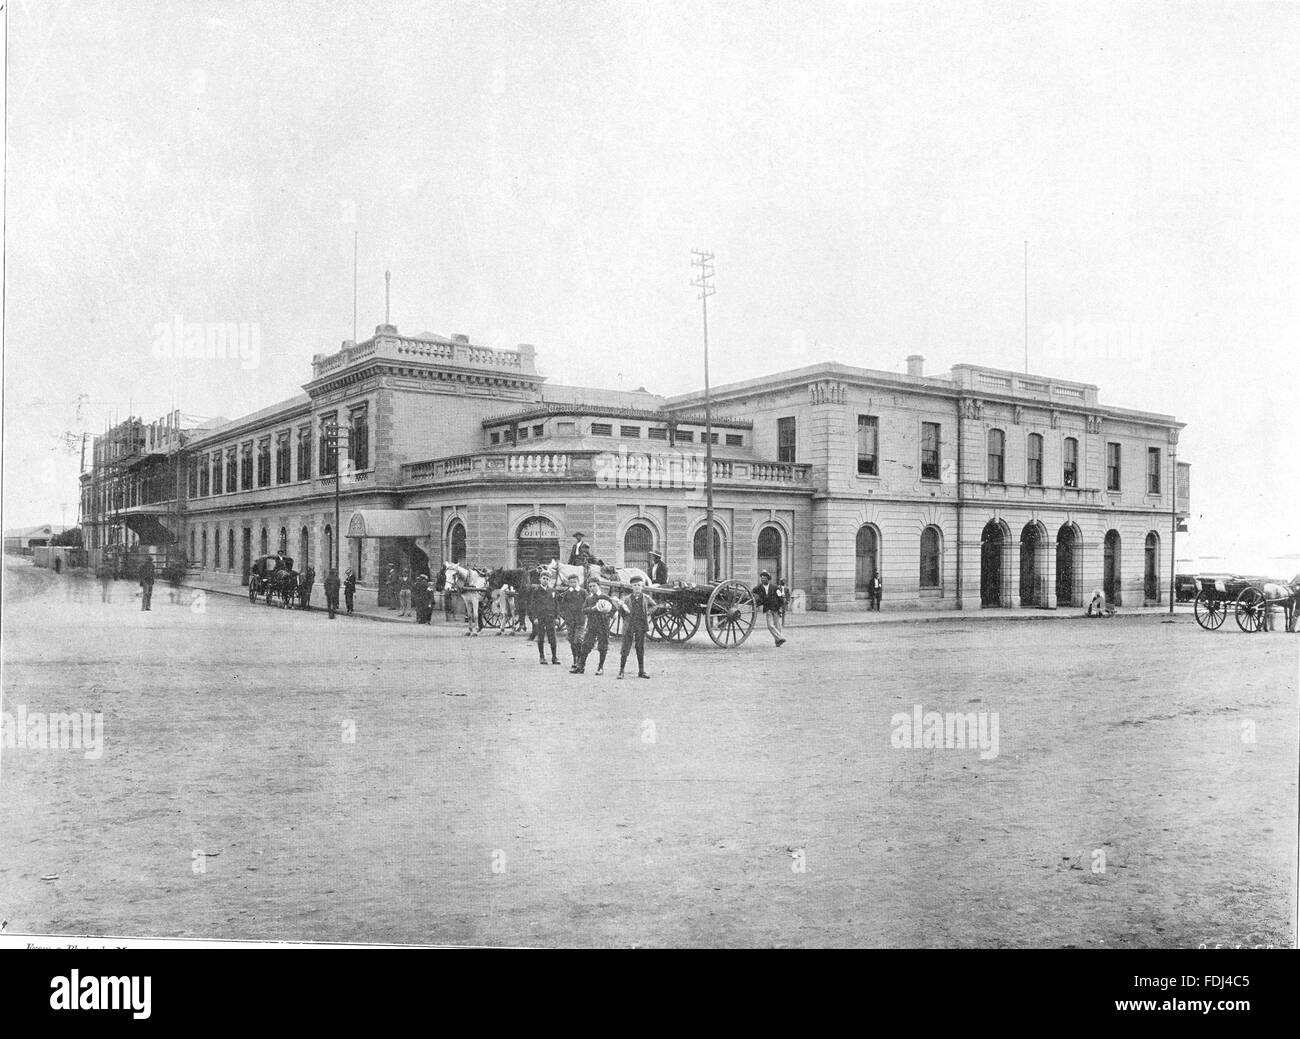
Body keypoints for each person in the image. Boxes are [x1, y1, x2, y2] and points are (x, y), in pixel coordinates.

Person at [616, 575, 661, 680]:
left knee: (640, 648)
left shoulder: (646, 598)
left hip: (641, 625)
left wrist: (647, 613)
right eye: (634, 585)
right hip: (629, 626)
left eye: (639, 585)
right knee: (625, 648)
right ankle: (621, 671)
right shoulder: (626, 599)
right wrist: (626, 616)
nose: (636, 587)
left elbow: (654, 606)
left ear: (642, 586)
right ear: (631, 587)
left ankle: (641, 671)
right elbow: (620, 609)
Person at [577, 577, 616, 674]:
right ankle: (581, 667)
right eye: (590, 586)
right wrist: (593, 608)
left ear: (599, 586)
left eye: (594, 586)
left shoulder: (605, 597)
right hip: (591, 625)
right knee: (586, 645)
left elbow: (613, 611)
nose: (592, 588)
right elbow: (584, 610)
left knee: (603, 646)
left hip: (603, 625)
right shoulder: (589, 598)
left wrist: (607, 613)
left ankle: (600, 668)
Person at [558, 573, 588, 669]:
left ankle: (580, 659)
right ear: (568, 583)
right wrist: (566, 617)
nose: (573, 583)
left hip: (580, 620)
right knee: (571, 640)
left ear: (578, 582)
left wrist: (585, 615)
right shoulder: (567, 594)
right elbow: (562, 607)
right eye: (571, 582)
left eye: (575, 582)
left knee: (578, 640)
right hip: (570, 621)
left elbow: (588, 604)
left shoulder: (583, 592)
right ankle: (575, 659)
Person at [532, 574, 562, 665]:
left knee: (552, 637)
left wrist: (557, 617)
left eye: (547, 579)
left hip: (550, 617)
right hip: (540, 617)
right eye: (543, 578)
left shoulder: (552, 591)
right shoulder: (536, 591)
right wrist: (534, 617)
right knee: (541, 637)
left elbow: (556, 605)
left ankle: (554, 657)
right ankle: (542, 657)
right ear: (540, 579)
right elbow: (532, 605)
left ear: (549, 580)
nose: (545, 580)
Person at [752, 570, 787, 646]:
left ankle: (778, 642)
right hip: (768, 609)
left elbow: (780, 597)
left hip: (776, 608)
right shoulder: (759, 587)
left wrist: (780, 609)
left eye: (764, 578)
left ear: (768, 579)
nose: (762, 579)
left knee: (777, 626)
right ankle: (780, 638)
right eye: (761, 578)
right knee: (770, 625)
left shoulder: (775, 587)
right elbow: (752, 592)